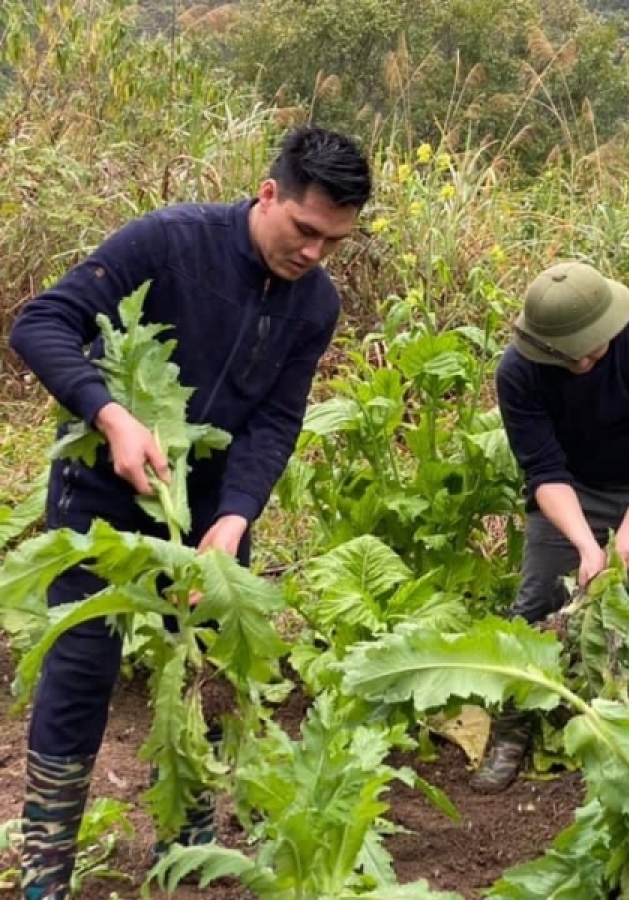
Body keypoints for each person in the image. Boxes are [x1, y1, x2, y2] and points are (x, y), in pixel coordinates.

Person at [9, 126, 372, 899]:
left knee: (201, 667)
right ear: (267, 194)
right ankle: (44, 863)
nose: (313, 253)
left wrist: (237, 515)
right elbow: (39, 324)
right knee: (81, 669)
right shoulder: (169, 242)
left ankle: (188, 841)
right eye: (305, 231)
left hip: (204, 513)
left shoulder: (317, 302)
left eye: (333, 242)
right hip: (103, 494)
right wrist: (111, 416)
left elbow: (276, 420)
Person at [474, 260, 629, 793]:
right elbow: (543, 470)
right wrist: (586, 545)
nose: (583, 360)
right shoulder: (518, 370)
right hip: (572, 489)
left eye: (592, 348)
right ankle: (511, 728)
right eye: (568, 355)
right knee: (535, 606)